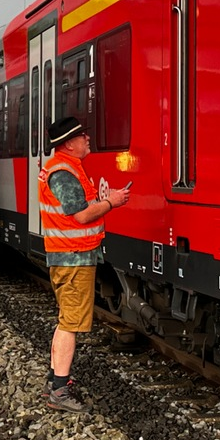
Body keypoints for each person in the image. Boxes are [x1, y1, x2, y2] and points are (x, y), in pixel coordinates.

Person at [38, 116, 129, 412]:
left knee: (66, 319)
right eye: (82, 136)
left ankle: (54, 381)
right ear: (68, 144)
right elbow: (81, 216)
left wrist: (103, 198)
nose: (87, 139)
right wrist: (113, 202)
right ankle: (60, 391)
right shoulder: (63, 173)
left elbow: (81, 206)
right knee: (70, 323)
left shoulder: (68, 168)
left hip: (71, 255)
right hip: (72, 256)